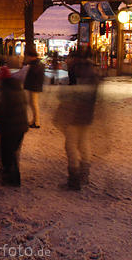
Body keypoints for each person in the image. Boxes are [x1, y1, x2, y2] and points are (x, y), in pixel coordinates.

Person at [56, 50, 100, 190]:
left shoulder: (77, 71)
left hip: (75, 114)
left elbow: (72, 94)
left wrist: (64, 93)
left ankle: (74, 180)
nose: (67, 60)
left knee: (71, 145)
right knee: (83, 143)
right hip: (87, 114)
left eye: (69, 57)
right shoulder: (92, 72)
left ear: (75, 58)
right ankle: (84, 175)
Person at [0, 66, 28, 186]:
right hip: (19, 126)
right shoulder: (15, 87)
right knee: (12, 152)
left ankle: (13, 179)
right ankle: (9, 174)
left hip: (11, 127)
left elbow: (3, 110)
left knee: (8, 152)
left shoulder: (6, 90)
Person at [23, 47, 45, 129]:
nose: (27, 58)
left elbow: (34, 75)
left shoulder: (36, 64)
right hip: (33, 86)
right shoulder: (36, 63)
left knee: (34, 104)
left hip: (34, 87)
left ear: (31, 56)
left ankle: (37, 122)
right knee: (32, 104)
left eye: (28, 56)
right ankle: (34, 120)